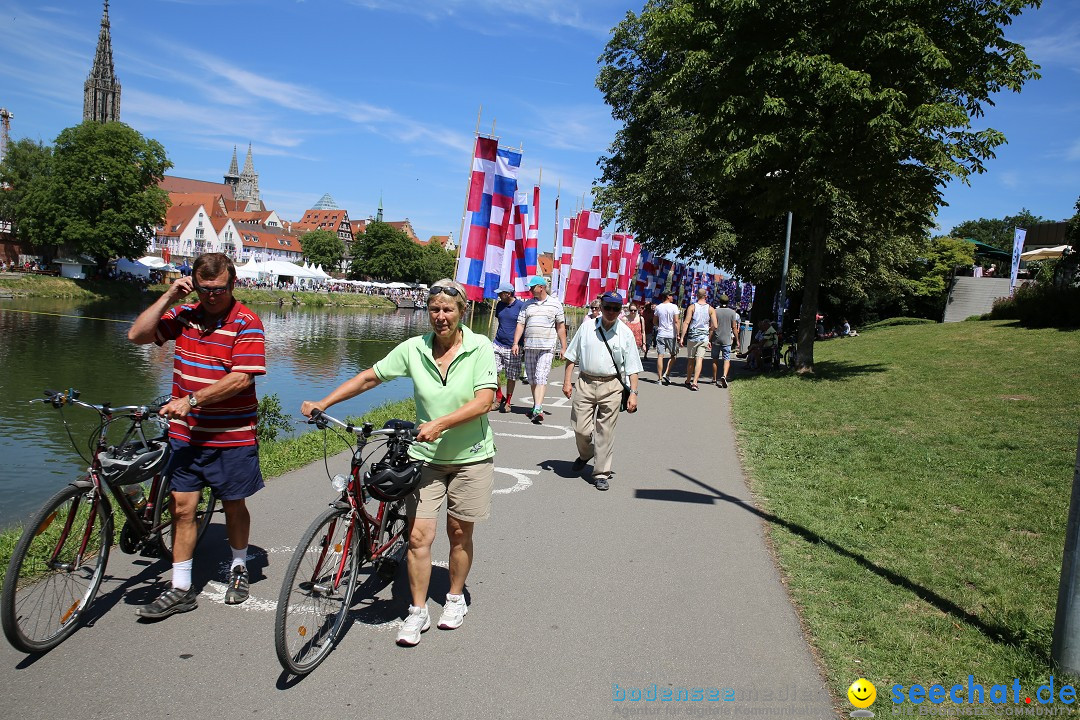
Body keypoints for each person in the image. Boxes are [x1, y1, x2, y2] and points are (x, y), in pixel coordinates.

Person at [301, 279, 497, 647]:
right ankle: (418, 611)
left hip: (472, 457)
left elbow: (485, 400)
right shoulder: (414, 348)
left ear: (462, 312)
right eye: (435, 309)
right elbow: (368, 377)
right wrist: (324, 403)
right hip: (426, 459)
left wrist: (439, 423)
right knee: (418, 536)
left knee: (459, 531)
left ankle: (454, 598)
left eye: (448, 309)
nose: (441, 316)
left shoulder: (480, 347)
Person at [127, 252, 266, 619]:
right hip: (186, 436)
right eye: (204, 290)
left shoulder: (246, 321)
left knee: (234, 504)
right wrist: (169, 296)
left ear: (231, 284)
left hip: (231, 436)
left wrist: (192, 399)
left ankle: (238, 567)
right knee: (182, 508)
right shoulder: (183, 314)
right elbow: (137, 335)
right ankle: (181, 588)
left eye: (218, 290)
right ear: (193, 284)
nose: (211, 297)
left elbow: (243, 377)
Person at [562, 291, 642, 491]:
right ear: (601, 306)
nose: (611, 312)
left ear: (620, 310)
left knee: (605, 431)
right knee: (580, 428)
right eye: (608, 307)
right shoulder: (587, 327)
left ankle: (601, 473)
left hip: (612, 385)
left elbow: (632, 366)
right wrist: (567, 382)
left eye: (616, 308)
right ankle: (586, 453)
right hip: (585, 382)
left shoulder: (625, 333)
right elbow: (572, 356)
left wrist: (633, 393)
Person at [512, 275, 567, 424]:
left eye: (532, 287)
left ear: (541, 287)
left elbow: (560, 326)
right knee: (532, 378)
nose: (530, 290)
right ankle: (536, 405)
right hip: (530, 346)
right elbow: (520, 324)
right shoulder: (527, 305)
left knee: (541, 376)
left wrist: (563, 347)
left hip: (546, 347)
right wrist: (516, 342)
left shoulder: (555, 304)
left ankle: (538, 408)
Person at [490, 282, 523, 413]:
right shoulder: (500, 305)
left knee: (511, 375)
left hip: (513, 346)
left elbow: (524, 325)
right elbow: (501, 321)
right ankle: (498, 397)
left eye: (500, 293)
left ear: (508, 294)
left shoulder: (520, 306)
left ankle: (508, 401)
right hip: (498, 343)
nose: (498, 295)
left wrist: (520, 344)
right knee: (492, 371)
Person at [679, 288, 717, 391]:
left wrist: (682, 337)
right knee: (699, 359)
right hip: (703, 337)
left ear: (697, 295)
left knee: (691, 360)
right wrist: (709, 334)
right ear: (706, 296)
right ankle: (695, 382)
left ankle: (688, 380)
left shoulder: (692, 307)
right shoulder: (711, 309)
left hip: (692, 336)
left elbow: (686, 322)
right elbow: (715, 326)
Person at [710, 294, 740, 388]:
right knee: (726, 359)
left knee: (715, 359)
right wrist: (737, 340)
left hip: (716, 339)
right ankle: (724, 375)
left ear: (719, 301)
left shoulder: (715, 311)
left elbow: (712, 326)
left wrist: (709, 339)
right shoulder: (732, 313)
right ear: (728, 302)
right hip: (727, 339)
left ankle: (714, 378)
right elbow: (734, 327)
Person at [653, 291, 680, 385]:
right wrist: (678, 334)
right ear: (668, 297)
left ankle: (659, 378)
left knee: (660, 355)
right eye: (671, 295)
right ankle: (667, 373)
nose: (672, 297)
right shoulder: (674, 307)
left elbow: (655, 321)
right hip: (670, 334)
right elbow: (676, 321)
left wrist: (659, 326)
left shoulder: (658, 307)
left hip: (661, 333)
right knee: (674, 355)